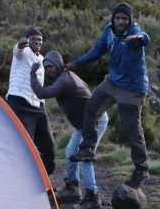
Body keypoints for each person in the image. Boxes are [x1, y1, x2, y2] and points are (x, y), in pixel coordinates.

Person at [67, 2, 151, 189]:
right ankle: (88, 148)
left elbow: (145, 38)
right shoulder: (108, 31)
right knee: (90, 108)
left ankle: (141, 169)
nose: (121, 22)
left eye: (125, 19)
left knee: (132, 129)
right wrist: (76, 64)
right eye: (118, 18)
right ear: (113, 18)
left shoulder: (134, 32)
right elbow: (96, 51)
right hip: (112, 82)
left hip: (132, 87)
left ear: (130, 20)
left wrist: (139, 38)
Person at [30, 51, 108, 208]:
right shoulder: (64, 76)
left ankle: (93, 197)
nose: (49, 70)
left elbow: (42, 93)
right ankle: (72, 188)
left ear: (58, 65)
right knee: (70, 152)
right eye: (47, 67)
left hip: (95, 121)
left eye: (51, 66)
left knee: (84, 158)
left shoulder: (65, 80)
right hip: (84, 123)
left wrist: (32, 75)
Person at [6, 26, 56, 175]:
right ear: (28, 41)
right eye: (33, 39)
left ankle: (45, 178)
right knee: (23, 144)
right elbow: (17, 49)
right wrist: (21, 44)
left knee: (48, 146)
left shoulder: (42, 59)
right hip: (20, 101)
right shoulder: (22, 52)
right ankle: (19, 176)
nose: (37, 42)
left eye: (40, 40)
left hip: (38, 105)